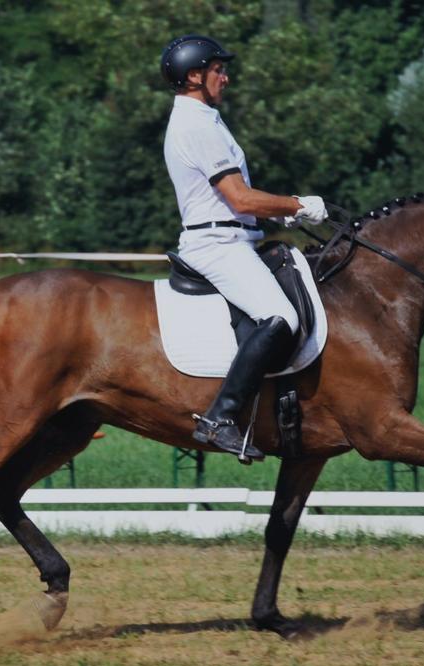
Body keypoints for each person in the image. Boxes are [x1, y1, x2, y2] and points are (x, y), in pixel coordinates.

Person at [160, 34, 327, 462]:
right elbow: (239, 198)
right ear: (194, 76)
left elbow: (240, 202)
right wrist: (298, 205)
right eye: (218, 70)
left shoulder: (204, 118)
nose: (226, 78)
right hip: (217, 242)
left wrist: (282, 215)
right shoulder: (195, 124)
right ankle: (221, 417)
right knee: (281, 316)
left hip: (235, 234)